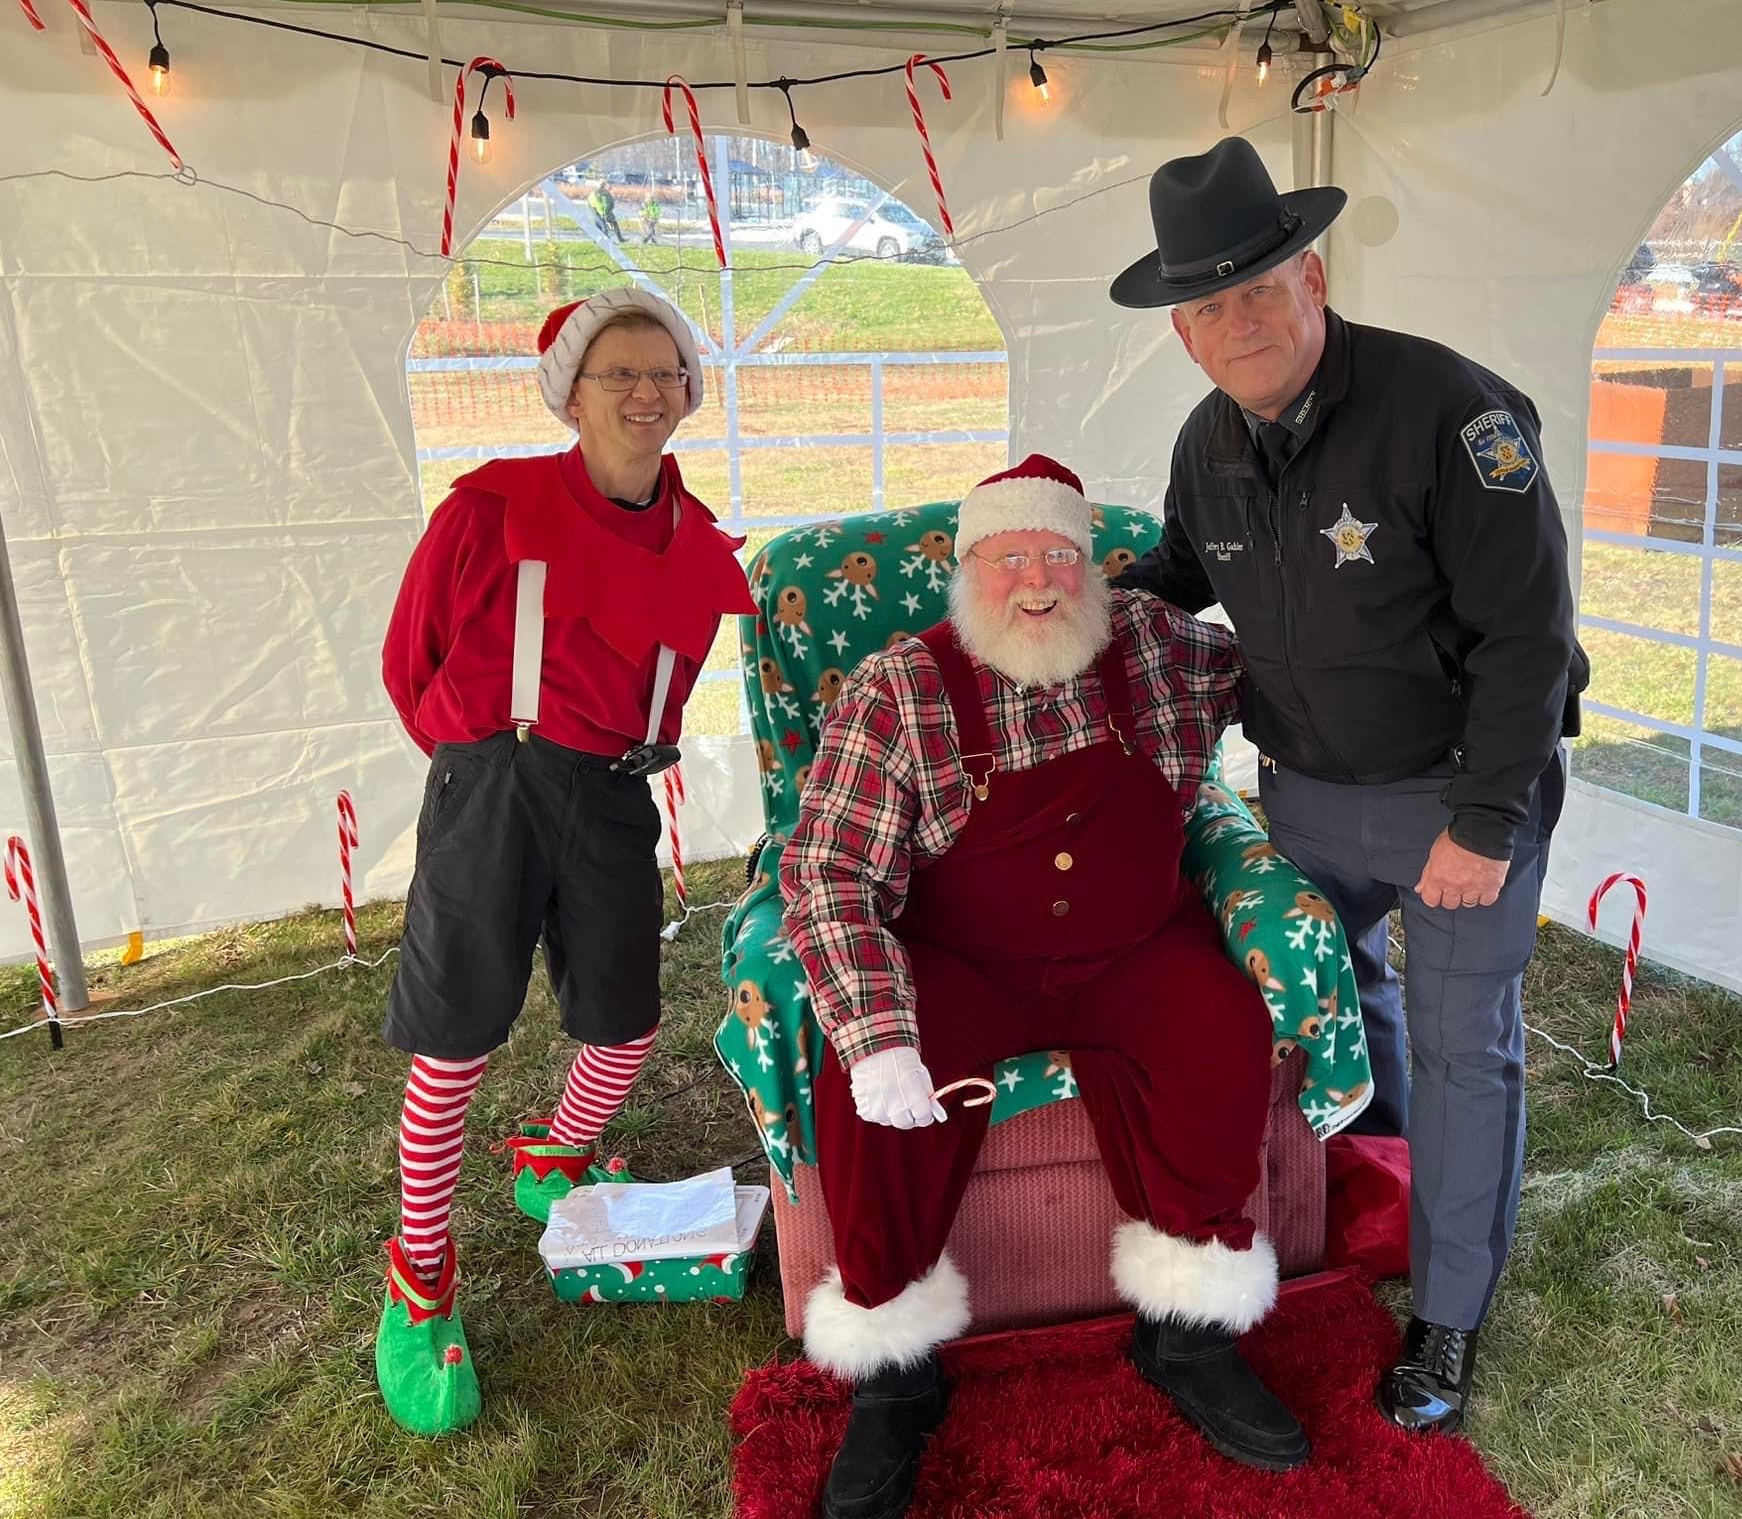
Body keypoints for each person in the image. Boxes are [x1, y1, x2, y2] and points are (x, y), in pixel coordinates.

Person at [1109, 136, 1589, 1436]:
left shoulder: (1452, 412)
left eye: (1257, 286)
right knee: (1320, 986)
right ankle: (1370, 1175)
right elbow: (1185, 570)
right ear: (1184, 337)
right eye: (1205, 306)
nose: (1236, 319)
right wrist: (1088, 606)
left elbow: (1530, 637)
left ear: (1311, 276)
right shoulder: (1209, 440)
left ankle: (1448, 1314)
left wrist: (1487, 822)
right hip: (1305, 793)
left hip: (1453, 799)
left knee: (1464, 1049)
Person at [781, 455, 1309, 1519]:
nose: (1036, 580)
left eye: (1059, 555)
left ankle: (1189, 1335)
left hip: (1129, 952)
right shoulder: (902, 686)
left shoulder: (1160, 651)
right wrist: (876, 1030)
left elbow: (1296, 663)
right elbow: (829, 870)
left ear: (1094, 573)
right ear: (965, 570)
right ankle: (894, 1372)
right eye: (1008, 556)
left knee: (1216, 1025)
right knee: (873, 1083)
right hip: (960, 964)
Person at [373, 286, 754, 1436]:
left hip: (609, 789)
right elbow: (412, 660)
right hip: (496, 776)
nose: (647, 393)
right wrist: (480, 766)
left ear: (690, 390)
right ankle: (418, 1273)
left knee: (625, 1016)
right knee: (456, 1037)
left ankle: (558, 1152)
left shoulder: (695, 544)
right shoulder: (492, 509)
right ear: (571, 393)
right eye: (619, 374)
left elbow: (672, 688)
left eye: (666, 373)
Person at [589, 178, 624, 243]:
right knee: (602, 225)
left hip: (604, 211)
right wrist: (603, 213)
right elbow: (599, 204)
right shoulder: (599, 193)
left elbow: (608, 203)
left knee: (603, 224)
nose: (610, 187)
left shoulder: (605, 193)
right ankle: (606, 240)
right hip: (598, 210)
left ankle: (599, 240)